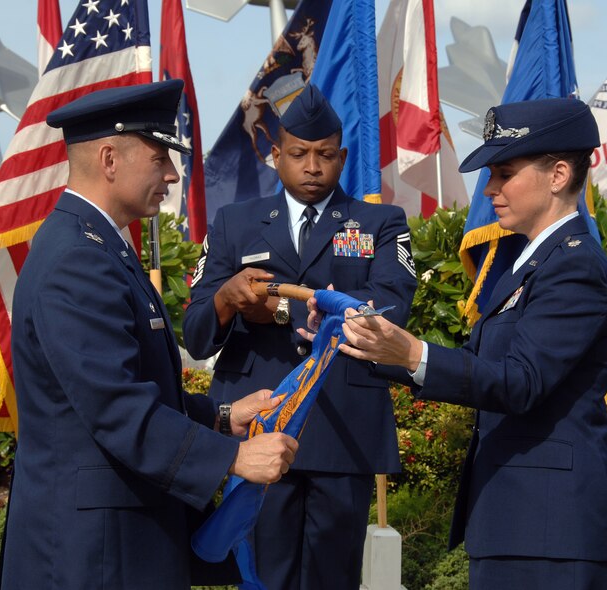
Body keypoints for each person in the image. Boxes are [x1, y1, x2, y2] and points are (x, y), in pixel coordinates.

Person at [0, 80, 298, 590]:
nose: (173, 174)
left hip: (116, 535)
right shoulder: (77, 259)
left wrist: (223, 417)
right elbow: (115, 406)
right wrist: (233, 459)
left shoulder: (98, 247)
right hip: (91, 550)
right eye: (160, 158)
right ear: (110, 159)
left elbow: (135, 384)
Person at [335, 98, 607, 589]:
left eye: (504, 172)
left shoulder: (574, 266)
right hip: (517, 522)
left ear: (558, 175)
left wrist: (412, 353)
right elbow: (482, 365)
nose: (489, 189)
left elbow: (520, 382)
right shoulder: (530, 261)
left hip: (553, 533)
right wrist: (369, 346)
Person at [183, 84, 417, 590]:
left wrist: (284, 309)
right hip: (259, 426)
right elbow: (197, 335)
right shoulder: (233, 223)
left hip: (342, 432)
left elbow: (390, 307)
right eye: (298, 154)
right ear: (275, 156)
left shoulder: (380, 222)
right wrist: (227, 300)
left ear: (342, 156)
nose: (312, 166)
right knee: (261, 575)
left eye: (325, 155)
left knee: (333, 579)